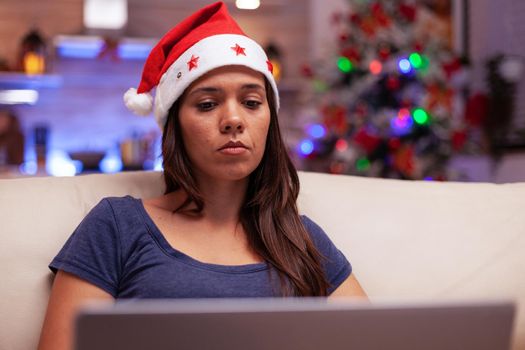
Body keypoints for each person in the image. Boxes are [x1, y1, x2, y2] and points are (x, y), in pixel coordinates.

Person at [38, 2, 367, 349]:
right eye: (207, 104)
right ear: (175, 125)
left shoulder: (301, 238)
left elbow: (377, 337)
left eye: (252, 102)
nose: (234, 120)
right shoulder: (116, 226)